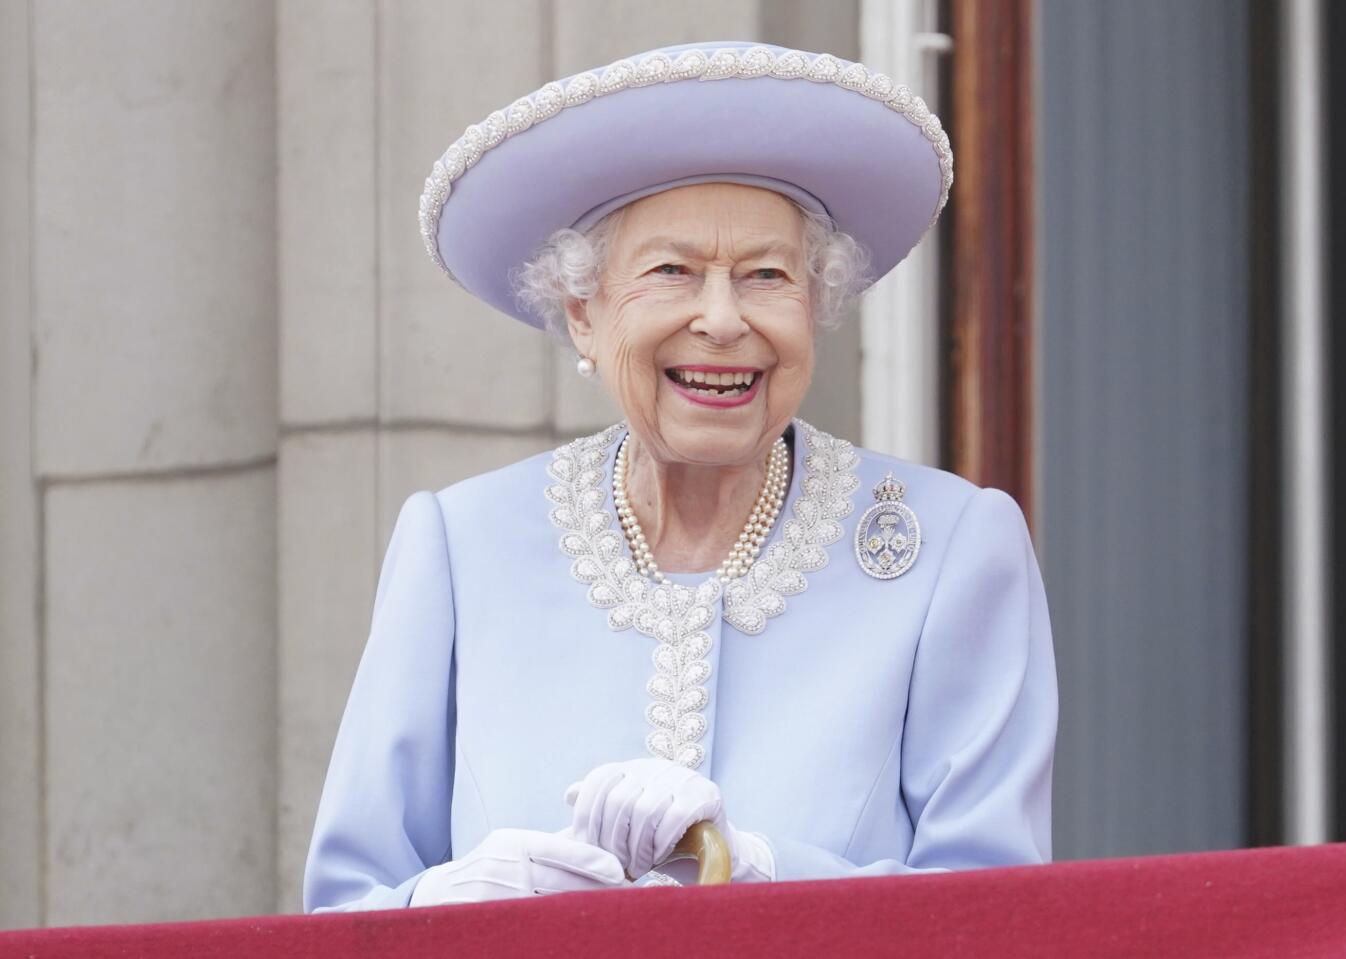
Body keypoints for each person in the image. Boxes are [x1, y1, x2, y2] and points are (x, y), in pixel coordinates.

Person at [303, 40, 1056, 912]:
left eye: (767, 276)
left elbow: (1000, 913)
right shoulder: (460, 547)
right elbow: (344, 908)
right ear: (583, 314)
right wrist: (455, 900)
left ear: (815, 307)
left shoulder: (954, 549)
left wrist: (766, 868)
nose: (723, 319)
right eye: (672, 272)